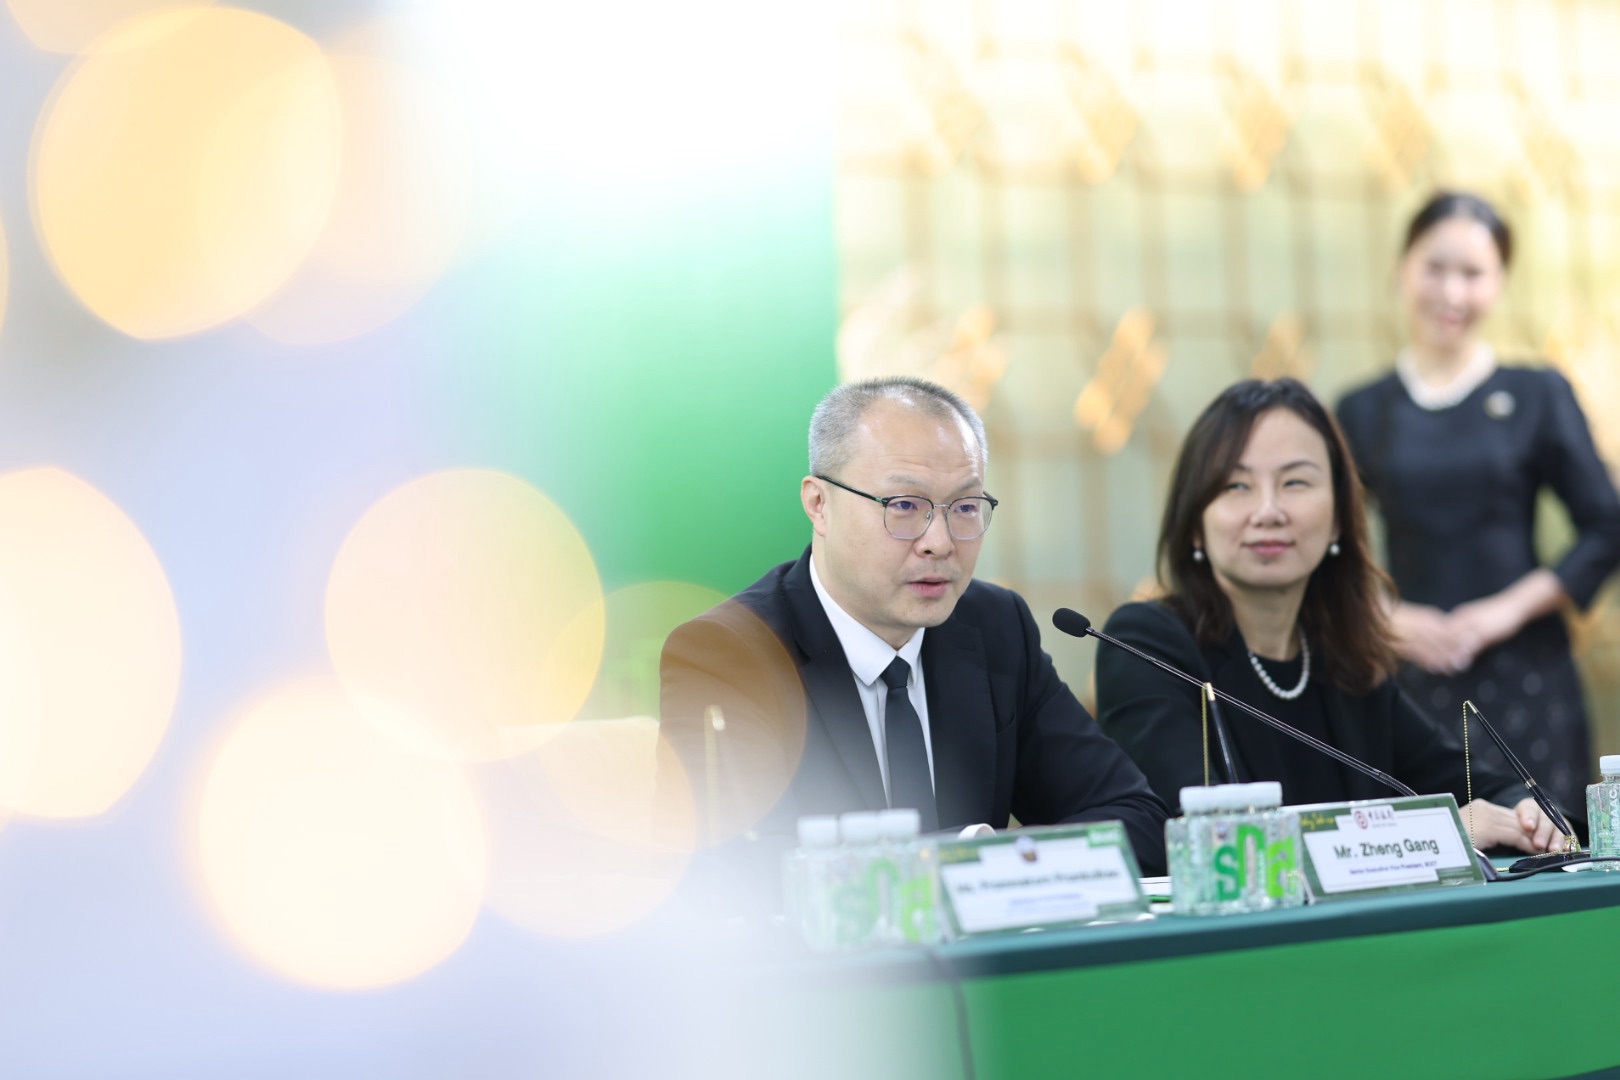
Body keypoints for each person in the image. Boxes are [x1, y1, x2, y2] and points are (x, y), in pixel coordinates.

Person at [659, 376, 1168, 891]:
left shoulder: (994, 627)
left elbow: (1136, 820)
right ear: (819, 504)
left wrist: (991, 864)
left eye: (965, 508)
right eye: (904, 505)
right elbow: (738, 875)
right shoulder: (727, 655)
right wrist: (970, 859)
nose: (939, 542)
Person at [1095, 377, 1567, 855]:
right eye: (1236, 485)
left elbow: (1473, 783)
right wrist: (1434, 832)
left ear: (1340, 517)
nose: (1268, 511)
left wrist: (1526, 812)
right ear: (1195, 523)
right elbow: (1212, 842)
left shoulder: (1343, 660)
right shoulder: (1146, 645)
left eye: (1295, 482)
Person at [1337, 192, 1620, 826]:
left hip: (1528, 676)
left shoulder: (1537, 394)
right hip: (1409, 670)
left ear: (1499, 283)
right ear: (1401, 269)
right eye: (1435, 268)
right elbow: (1327, 544)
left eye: (1473, 274)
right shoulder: (1363, 410)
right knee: (1422, 846)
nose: (1452, 292)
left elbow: (1606, 526)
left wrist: (1501, 613)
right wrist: (1388, 616)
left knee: (1546, 843)